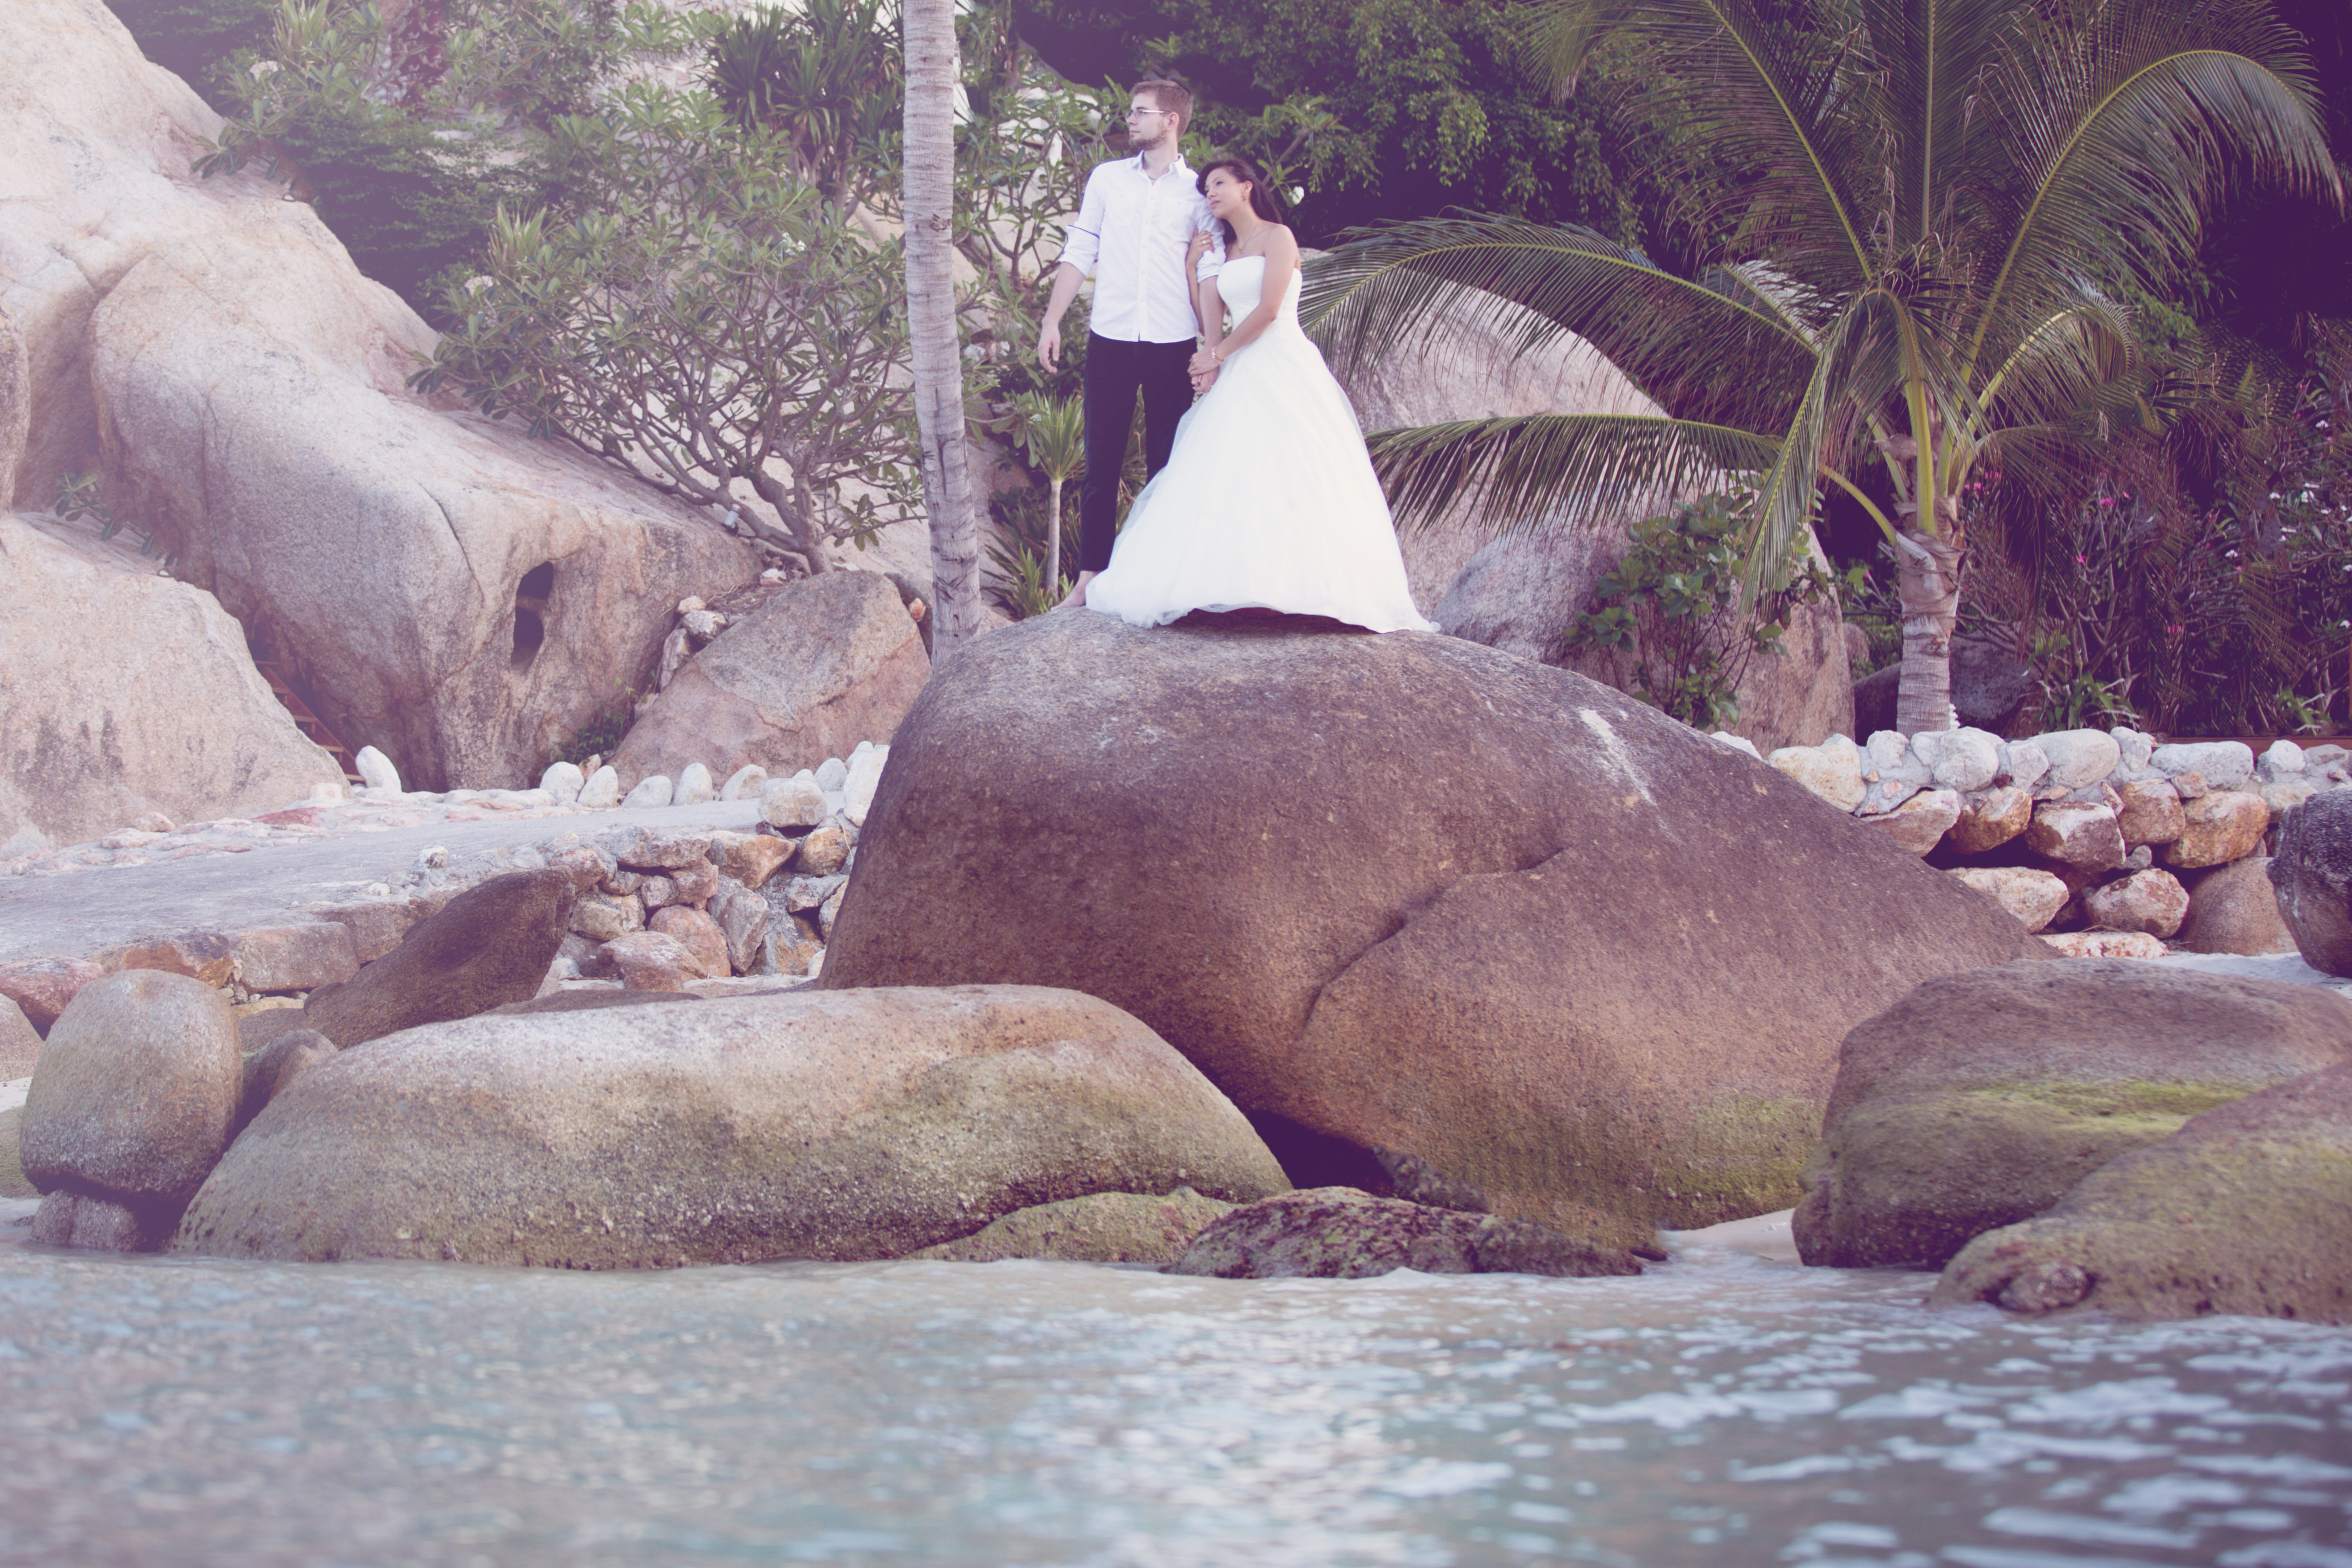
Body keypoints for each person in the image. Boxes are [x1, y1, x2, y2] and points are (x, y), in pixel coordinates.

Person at [1081, 156, 1436, 634]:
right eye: (1206, 187)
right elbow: (1211, 309)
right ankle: (1236, 588)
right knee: (1233, 476)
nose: (1210, 193)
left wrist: (1218, 354)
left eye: (1219, 184)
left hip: (1282, 360)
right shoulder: (1226, 250)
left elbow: (1269, 308)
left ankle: (1302, 590)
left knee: (1293, 473)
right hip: (1238, 365)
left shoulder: (1278, 237)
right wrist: (1193, 272)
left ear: (1247, 187)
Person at [1036, 79, 1219, 610]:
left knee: (1166, 465)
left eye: (1141, 112)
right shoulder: (1107, 181)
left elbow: (1209, 270)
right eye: (1131, 111)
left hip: (1172, 343)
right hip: (1110, 339)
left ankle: (1156, 577)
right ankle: (1091, 578)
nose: (1131, 120)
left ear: (1171, 121)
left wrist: (1212, 349)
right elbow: (1080, 249)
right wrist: (1052, 321)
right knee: (1102, 463)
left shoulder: (1198, 192)